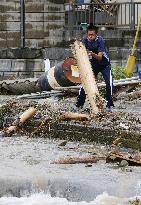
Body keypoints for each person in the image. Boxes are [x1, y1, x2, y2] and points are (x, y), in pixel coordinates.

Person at [74, 24, 114, 112]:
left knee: (109, 84)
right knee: (85, 84)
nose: (90, 37)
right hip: (93, 65)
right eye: (89, 35)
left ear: (96, 35)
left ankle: (109, 105)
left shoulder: (101, 41)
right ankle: (78, 105)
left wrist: (92, 54)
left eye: (92, 35)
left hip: (104, 64)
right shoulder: (84, 41)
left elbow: (100, 57)